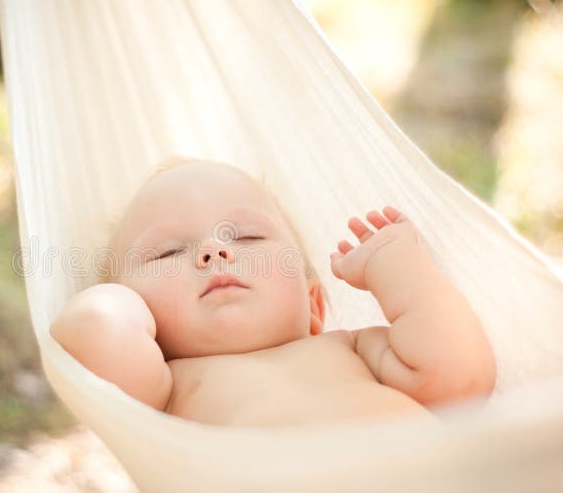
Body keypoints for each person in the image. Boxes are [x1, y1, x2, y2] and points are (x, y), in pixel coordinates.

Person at [50, 158, 496, 426]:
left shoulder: (354, 351)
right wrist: (122, 295)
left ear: (315, 305)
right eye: (166, 253)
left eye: (247, 238)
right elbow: (94, 331)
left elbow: (460, 379)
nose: (213, 250)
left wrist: (399, 267)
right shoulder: (166, 389)